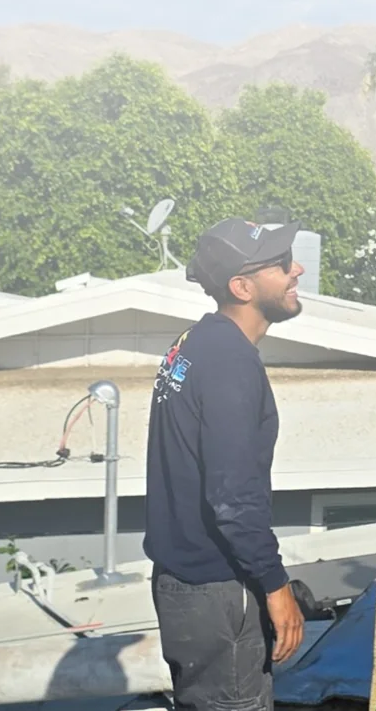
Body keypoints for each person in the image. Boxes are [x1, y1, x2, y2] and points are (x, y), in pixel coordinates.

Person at [145, 216, 309, 710]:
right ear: (241, 286)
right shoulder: (228, 361)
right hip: (218, 588)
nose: (296, 269)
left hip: (184, 584)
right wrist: (276, 587)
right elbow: (233, 499)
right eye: (281, 264)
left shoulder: (196, 342)